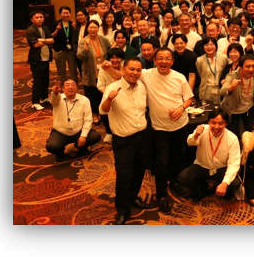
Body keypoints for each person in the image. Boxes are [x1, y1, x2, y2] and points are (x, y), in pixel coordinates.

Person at [140, 47, 194, 213]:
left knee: (179, 158)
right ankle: (161, 194)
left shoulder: (179, 77)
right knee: (162, 162)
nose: (164, 61)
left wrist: (180, 108)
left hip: (180, 125)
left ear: (172, 61)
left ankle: (175, 183)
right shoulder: (147, 74)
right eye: (160, 58)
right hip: (160, 128)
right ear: (155, 61)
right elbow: (126, 73)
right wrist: (108, 68)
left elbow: (189, 98)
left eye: (167, 58)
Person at [99, 57, 149, 225]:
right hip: (123, 140)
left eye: (138, 70)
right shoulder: (113, 88)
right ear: (123, 69)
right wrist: (109, 99)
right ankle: (122, 209)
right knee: (124, 175)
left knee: (139, 171)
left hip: (142, 136)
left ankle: (133, 197)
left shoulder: (142, 86)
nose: (135, 73)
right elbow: (103, 110)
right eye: (131, 69)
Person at [174, 109, 242, 201]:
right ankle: (205, 187)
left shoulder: (232, 138)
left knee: (234, 184)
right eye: (213, 123)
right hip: (202, 166)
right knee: (182, 179)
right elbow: (190, 142)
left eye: (221, 123)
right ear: (208, 122)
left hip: (220, 168)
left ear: (226, 124)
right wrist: (196, 135)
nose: (216, 127)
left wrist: (224, 184)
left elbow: (234, 164)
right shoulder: (202, 129)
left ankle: (215, 187)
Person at [46, 77, 102, 161]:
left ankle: (80, 146)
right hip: (61, 132)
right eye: (67, 85)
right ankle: (60, 153)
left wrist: (83, 136)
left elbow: (88, 119)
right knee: (52, 146)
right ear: (63, 88)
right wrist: (55, 93)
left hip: (78, 131)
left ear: (77, 88)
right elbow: (54, 100)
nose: (70, 87)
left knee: (95, 137)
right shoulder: (58, 99)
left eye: (73, 85)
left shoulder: (84, 100)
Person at [77, 19, 111, 126]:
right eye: (90, 27)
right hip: (90, 72)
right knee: (92, 95)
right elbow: (80, 57)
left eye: (95, 27)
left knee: (103, 93)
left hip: (104, 72)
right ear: (87, 29)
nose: (93, 29)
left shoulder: (104, 40)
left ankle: (103, 113)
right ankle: (94, 114)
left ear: (98, 28)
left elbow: (109, 54)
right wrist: (86, 47)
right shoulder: (83, 41)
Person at [219, 54, 254, 139]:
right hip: (234, 110)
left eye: (253, 66)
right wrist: (231, 87)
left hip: (249, 108)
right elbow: (222, 91)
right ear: (240, 67)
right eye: (247, 66)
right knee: (234, 136)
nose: (251, 69)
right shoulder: (232, 76)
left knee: (251, 134)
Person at [26, 10, 54, 110]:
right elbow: (36, 45)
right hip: (36, 59)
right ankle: (35, 102)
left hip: (46, 57)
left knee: (45, 79)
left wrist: (42, 40)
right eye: (37, 17)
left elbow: (52, 40)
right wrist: (46, 41)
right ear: (32, 19)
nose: (39, 19)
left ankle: (44, 97)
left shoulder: (45, 28)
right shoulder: (30, 30)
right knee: (38, 81)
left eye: (41, 17)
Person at [196, 36, 227, 107]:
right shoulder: (199, 60)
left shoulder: (223, 57)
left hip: (220, 88)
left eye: (211, 44)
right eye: (206, 45)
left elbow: (225, 72)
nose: (209, 47)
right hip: (206, 89)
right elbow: (200, 74)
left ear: (216, 46)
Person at [52, 5, 78, 85]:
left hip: (71, 50)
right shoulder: (56, 23)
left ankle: (74, 85)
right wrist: (57, 29)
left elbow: (76, 36)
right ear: (60, 14)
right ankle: (62, 86)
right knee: (61, 71)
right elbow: (51, 36)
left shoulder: (72, 23)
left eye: (67, 13)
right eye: (63, 13)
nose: (65, 15)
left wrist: (74, 28)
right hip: (59, 50)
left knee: (73, 70)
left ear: (70, 14)